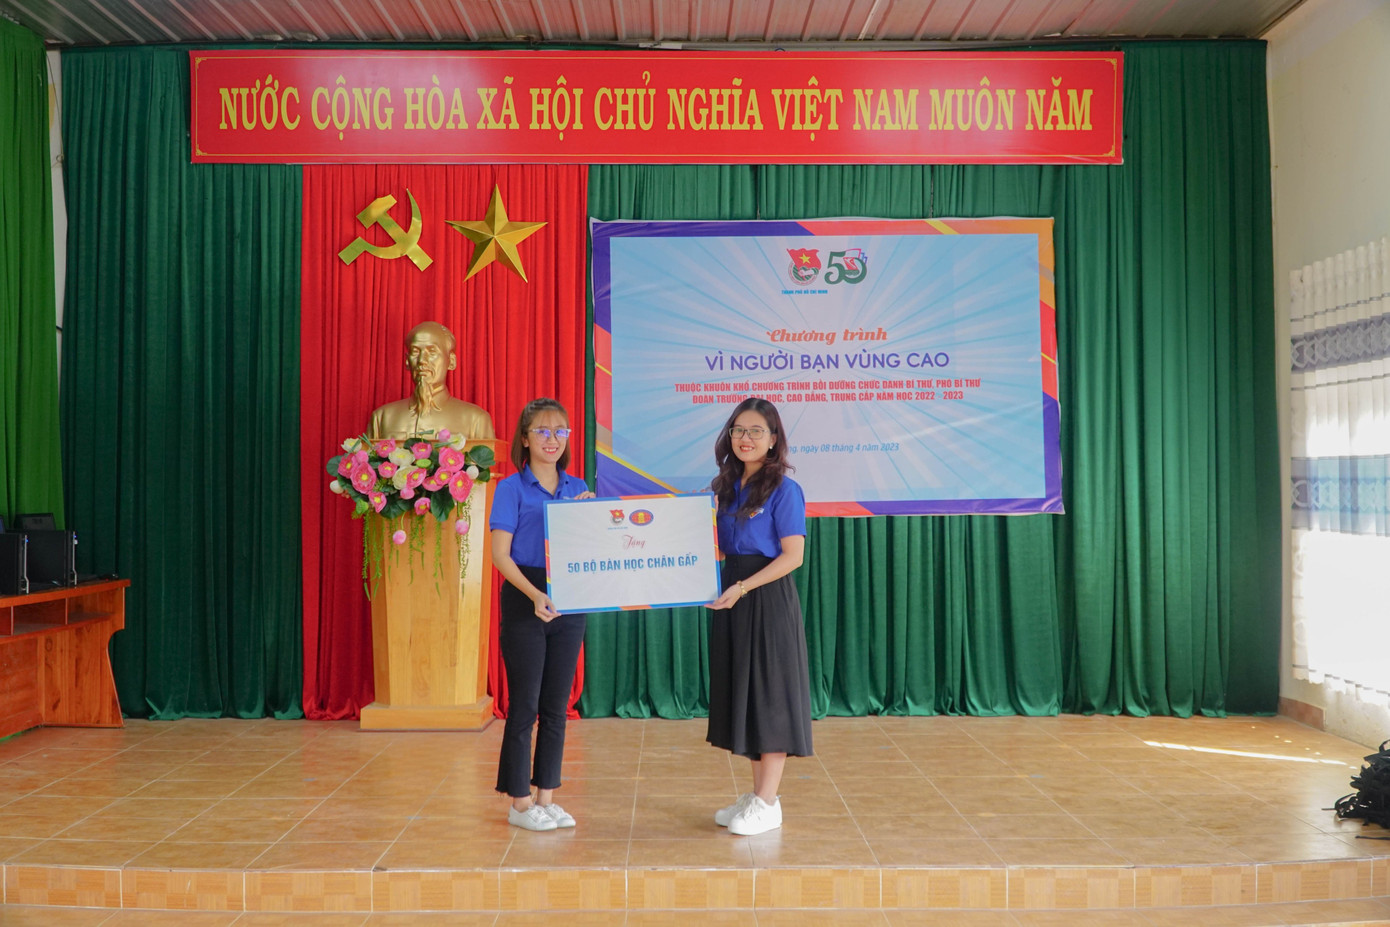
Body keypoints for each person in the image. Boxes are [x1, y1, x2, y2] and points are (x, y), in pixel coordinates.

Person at [705, 396, 812, 836]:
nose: (745, 438)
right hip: (732, 596)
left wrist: (744, 587)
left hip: (765, 599)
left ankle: (768, 802)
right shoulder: (723, 488)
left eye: (755, 431)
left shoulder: (784, 490)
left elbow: (793, 556)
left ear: (773, 440)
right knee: (746, 696)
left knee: (770, 697)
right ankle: (758, 797)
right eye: (738, 430)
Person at [489, 398, 593, 831]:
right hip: (525, 595)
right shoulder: (511, 488)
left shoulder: (578, 487)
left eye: (560, 431)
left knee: (556, 705)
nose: (553, 439)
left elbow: (593, 550)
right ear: (526, 438)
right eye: (543, 431)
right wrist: (534, 595)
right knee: (525, 705)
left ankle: (546, 797)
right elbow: (500, 554)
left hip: (569, 599)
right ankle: (519, 803)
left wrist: (594, 519)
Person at [369, 321, 495, 440]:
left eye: (432, 352)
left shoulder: (475, 420)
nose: (422, 360)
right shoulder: (382, 418)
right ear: (407, 361)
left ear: (451, 361)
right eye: (415, 352)